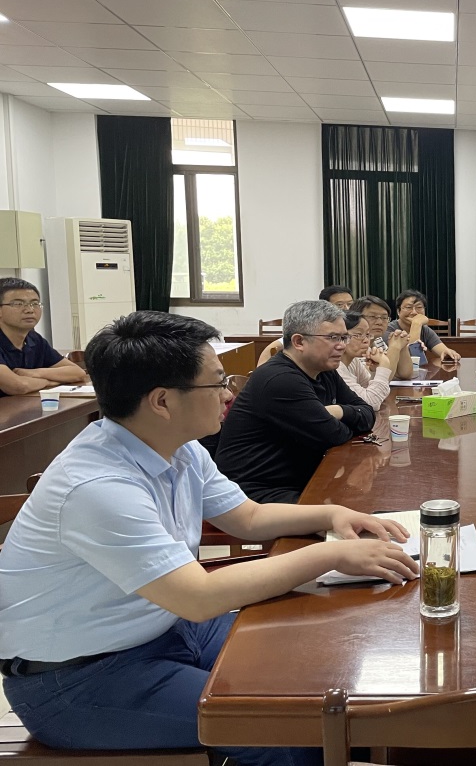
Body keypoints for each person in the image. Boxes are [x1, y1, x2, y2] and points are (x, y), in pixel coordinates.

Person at [0, 310, 418, 766]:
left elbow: (249, 518)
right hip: (79, 678)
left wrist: (334, 514)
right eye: (217, 383)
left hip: (168, 629)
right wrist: (330, 556)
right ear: (162, 401)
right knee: (288, 727)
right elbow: (198, 597)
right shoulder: (98, 486)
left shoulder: (178, 448)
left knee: (318, 661)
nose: (229, 393)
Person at [216, 300, 375, 503]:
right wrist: (347, 420)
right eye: (333, 337)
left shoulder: (324, 370)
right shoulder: (280, 380)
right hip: (257, 493)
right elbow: (334, 435)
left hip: (298, 481)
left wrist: (339, 411)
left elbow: (367, 413)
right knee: (355, 510)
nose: (342, 345)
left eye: (344, 337)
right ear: (299, 342)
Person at [0, 277, 87, 396]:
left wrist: (35, 373)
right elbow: (18, 386)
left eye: (35, 303)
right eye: (18, 304)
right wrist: (49, 382)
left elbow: (77, 373)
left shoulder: (34, 339)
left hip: (27, 405)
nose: (30, 310)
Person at [256, 284, 357, 368]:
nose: (346, 308)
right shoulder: (311, 330)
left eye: (350, 304)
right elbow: (269, 354)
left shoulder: (326, 371)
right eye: (339, 305)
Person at [337, 311, 412, 408]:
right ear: (341, 337)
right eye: (358, 335)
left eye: (367, 334)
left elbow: (372, 391)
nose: (366, 340)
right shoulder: (337, 367)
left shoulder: (353, 361)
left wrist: (374, 371)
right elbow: (371, 403)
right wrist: (384, 364)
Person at [384, 289, 460, 366]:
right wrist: (416, 324)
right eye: (408, 307)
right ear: (398, 311)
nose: (414, 312)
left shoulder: (425, 330)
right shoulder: (388, 330)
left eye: (419, 307)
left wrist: (449, 353)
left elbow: (443, 351)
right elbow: (412, 359)